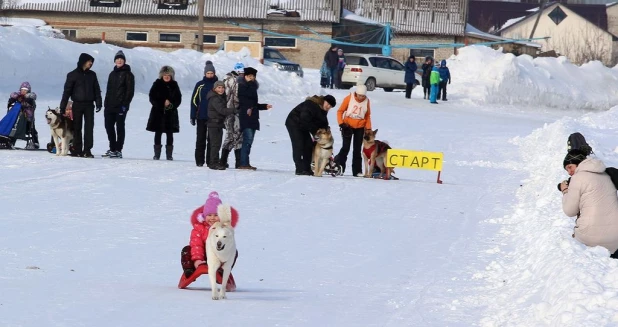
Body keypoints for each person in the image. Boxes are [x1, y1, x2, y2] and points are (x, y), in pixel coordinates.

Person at [560, 149, 618, 258]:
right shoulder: (606, 174)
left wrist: (565, 191)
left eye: (570, 167)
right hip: (616, 238)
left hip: (591, 239)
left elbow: (569, 211)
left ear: (578, 163)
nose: (569, 172)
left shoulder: (578, 178)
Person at [179, 191, 239, 289]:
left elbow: (228, 246)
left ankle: (222, 271)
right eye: (209, 215)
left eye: (216, 215)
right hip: (201, 257)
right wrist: (197, 261)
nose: (212, 218)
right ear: (204, 216)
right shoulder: (199, 228)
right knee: (186, 250)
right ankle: (189, 270)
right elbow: (196, 245)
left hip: (218, 257)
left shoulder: (224, 229)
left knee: (234, 251)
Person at [59, 53, 102, 158]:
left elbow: (96, 89)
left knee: (89, 128)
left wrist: (98, 102)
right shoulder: (72, 75)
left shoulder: (92, 75)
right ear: (83, 61)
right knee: (77, 127)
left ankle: (87, 150)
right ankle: (77, 149)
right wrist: (63, 106)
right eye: (89, 61)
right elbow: (67, 92)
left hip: (89, 105)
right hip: (77, 104)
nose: (91, 63)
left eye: (92, 62)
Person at [285, 94, 337, 175]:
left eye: (330, 106)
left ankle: (306, 168)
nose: (328, 107)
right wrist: (316, 132)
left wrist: (326, 136)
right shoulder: (311, 104)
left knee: (308, 145)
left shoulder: (323, 111)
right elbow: (304, 118)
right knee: (298, 144)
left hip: (305, 126)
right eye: (328, 104)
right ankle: (299, 168)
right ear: (323, 100)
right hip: (294, 122)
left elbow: (323, 123)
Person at [237, 67, 272, 170]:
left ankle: (245, 162)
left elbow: (254, 104)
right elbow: (244, 102)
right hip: (246, 116)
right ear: (245, 76)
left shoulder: (253, 88)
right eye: (249, 76)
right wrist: (251, 107)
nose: (251, 78)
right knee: (247, 140)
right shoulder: (242, 86)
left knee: (249, 141)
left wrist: (264, 106)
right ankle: (243, 163)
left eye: (253, 76)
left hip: (253, 117)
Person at [334, 85, 372, 177]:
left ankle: (357, 171)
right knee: (345, 148)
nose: (361, 98)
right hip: (348, 126)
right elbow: (340, 111)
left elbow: (367, 116)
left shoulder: (367, 101)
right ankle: (340, 166)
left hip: (360, 127)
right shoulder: (349, 98)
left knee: (357, 149)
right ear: (356, 93)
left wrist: (368, 129)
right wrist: (341, 124)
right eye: (359, 95)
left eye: (363, 96)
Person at [103, 50, 135, 158]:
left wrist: (125, 105)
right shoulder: (112, 74)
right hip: (110, 106)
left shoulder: (128, 74)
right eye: (117, 59)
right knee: (108, 126)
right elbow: (108, 90)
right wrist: (106, 103)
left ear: (124, 61)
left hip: (121, 106)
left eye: (121, 59)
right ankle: (112, 148)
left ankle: (118, 149)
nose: (119, 60)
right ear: (115, 61)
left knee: (120, 127)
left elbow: (130, 91)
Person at [146, 65, 181, 160]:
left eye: (168, 75)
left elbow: (178, 99)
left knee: (170, 133)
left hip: (171, 113)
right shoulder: (157, 84)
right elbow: (152, 97)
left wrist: (171, 105)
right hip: (158, 112)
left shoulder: (174, 85)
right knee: (158, 132)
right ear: (162, 75)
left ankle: (169, 155)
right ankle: (157, 154)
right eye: (165, 74)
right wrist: (162, 103)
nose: (166, 76)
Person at [190, 60, 218, 167]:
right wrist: (193, 115)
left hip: (214, 117)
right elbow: (194, 101)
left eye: (212, 73)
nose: (210, 75)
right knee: (200, 139)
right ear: (205, 73)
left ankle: (210, 160)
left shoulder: (217, 84)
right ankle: (199, 160)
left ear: (214, 73)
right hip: (201, 116)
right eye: (208, 73)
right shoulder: (200, 85)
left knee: (212, 140)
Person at [206, 81, 237, 170]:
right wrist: (234, 110)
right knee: (215, 144)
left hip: (217, 123)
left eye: (222, 88)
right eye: (219, 88)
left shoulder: (220, 97)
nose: (221, 89)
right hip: (214, 123)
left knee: (215, 143)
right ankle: (213, 163)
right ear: (215, 88)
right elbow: (222, 110)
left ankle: (213, 161)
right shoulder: (215, 98)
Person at [221, 62, 245, 168]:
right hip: (231, 111)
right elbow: (232, 96)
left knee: (237, 135)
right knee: (232, 135)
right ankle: (225, 160)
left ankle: (236, 161)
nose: (242, 75)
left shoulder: (236, 80)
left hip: (235, 112)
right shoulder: (231, 80)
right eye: (241, 73)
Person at [8, 82, 38, 148]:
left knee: (31, 129)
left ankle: (35, 142)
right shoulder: (18, 95)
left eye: (25, 90)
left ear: (28, 91)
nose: (23, 91)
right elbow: (13, 94)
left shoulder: (30, 97)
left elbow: (33, 96)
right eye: (22, 90)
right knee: (14, 125)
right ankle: (10, 140)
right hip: (17, 116)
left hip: (27, 117)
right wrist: (17, 97)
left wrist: (25, 98)